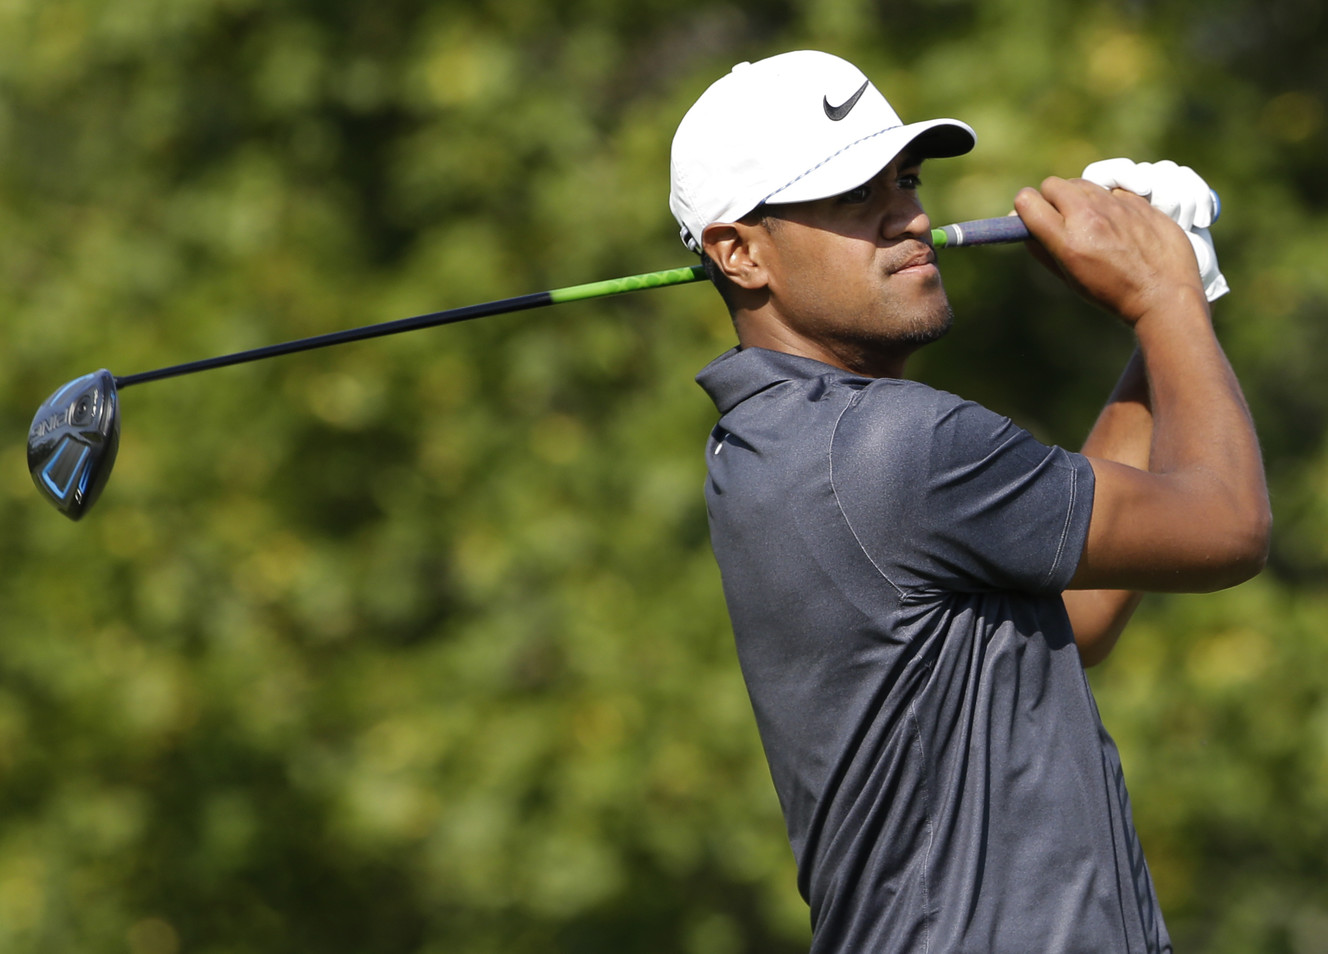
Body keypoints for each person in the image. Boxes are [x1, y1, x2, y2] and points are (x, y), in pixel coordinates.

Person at [669, 50, 1270, 953]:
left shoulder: (768, 444)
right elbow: (1230, 528)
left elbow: (1076, 611)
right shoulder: (891, 444)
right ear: (739, 253)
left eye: (904, 179)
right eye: (849, 197)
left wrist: (1174, 308)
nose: (908, 215)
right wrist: (1168, 297)